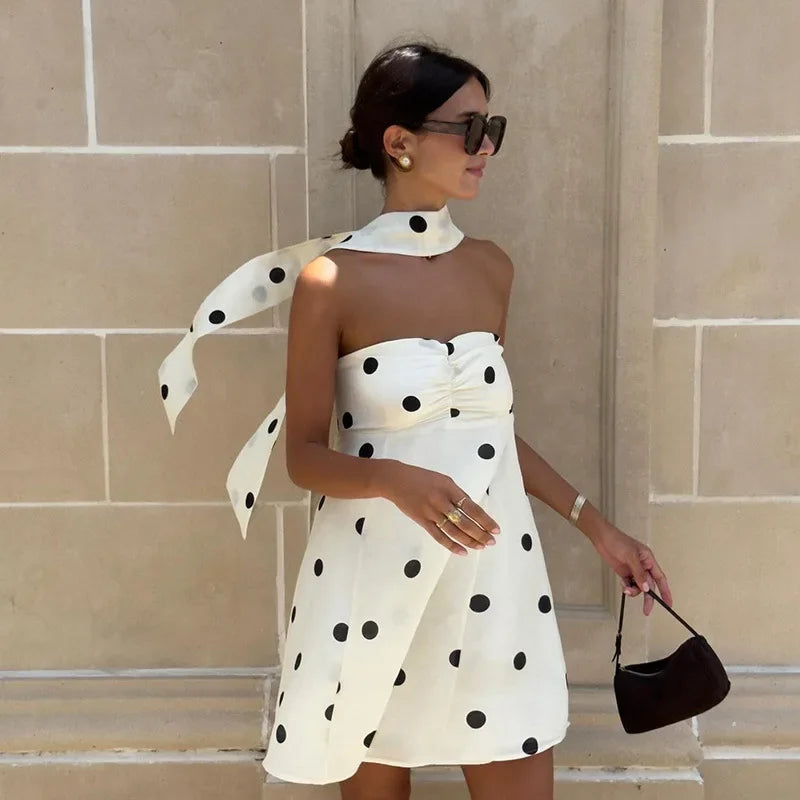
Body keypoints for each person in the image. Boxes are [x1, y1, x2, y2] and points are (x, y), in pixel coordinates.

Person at [159, 39, 673, 800]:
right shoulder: (331, 282)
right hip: (371, 582)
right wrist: (394, 479)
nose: (485, 147)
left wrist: (598, 527)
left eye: (492, 127)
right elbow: (304, 457)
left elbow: (488, 431)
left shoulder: (491, 267)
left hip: (496, 577)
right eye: (467, 129)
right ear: (398, 143)